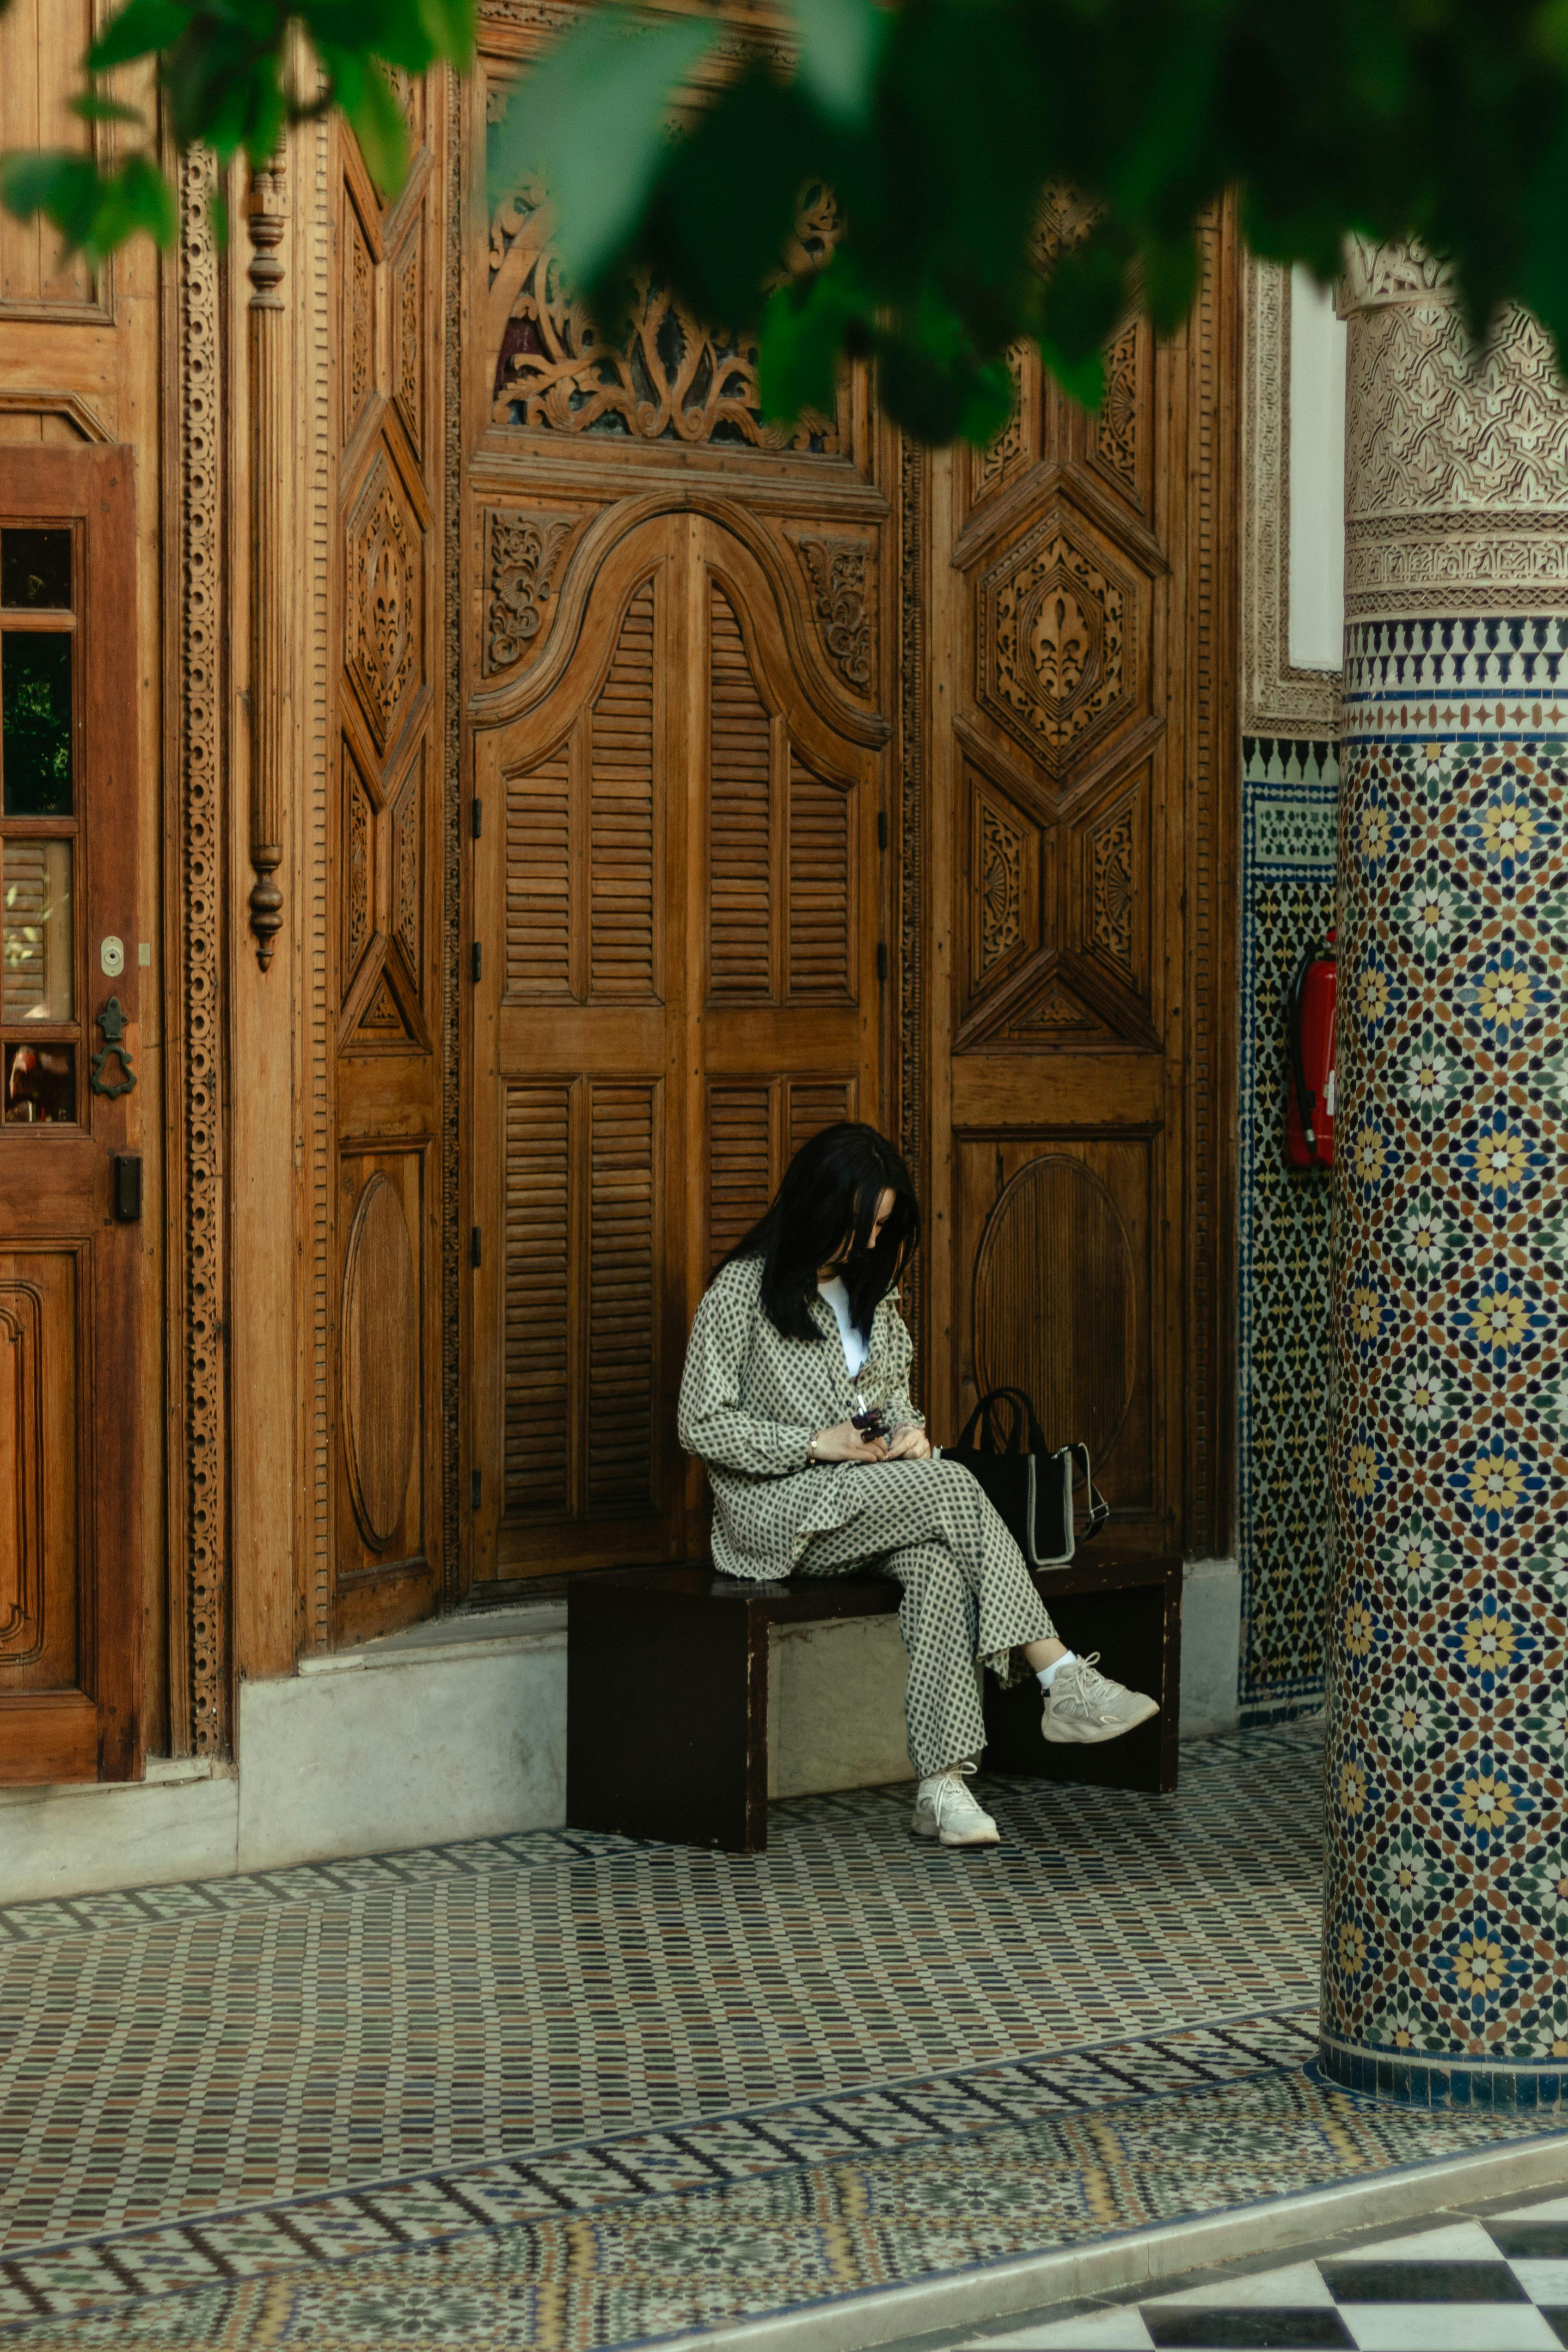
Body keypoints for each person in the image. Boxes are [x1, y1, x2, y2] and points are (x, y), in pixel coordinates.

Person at [677, 1121, 1159, 1849]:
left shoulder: (873, 1291)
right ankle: (1060, 1676)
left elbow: (891, 1401)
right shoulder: (742, 1292)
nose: (871, 1243)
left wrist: (910, 1436)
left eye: (882, 1228)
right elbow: (700, 1424)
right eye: (862, 1226)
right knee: (951, 1486)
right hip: (779, 1512)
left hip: (870, 1502)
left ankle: (943, 1786)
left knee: (938, 1565)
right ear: (819, 1207)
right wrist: (814, 1443)